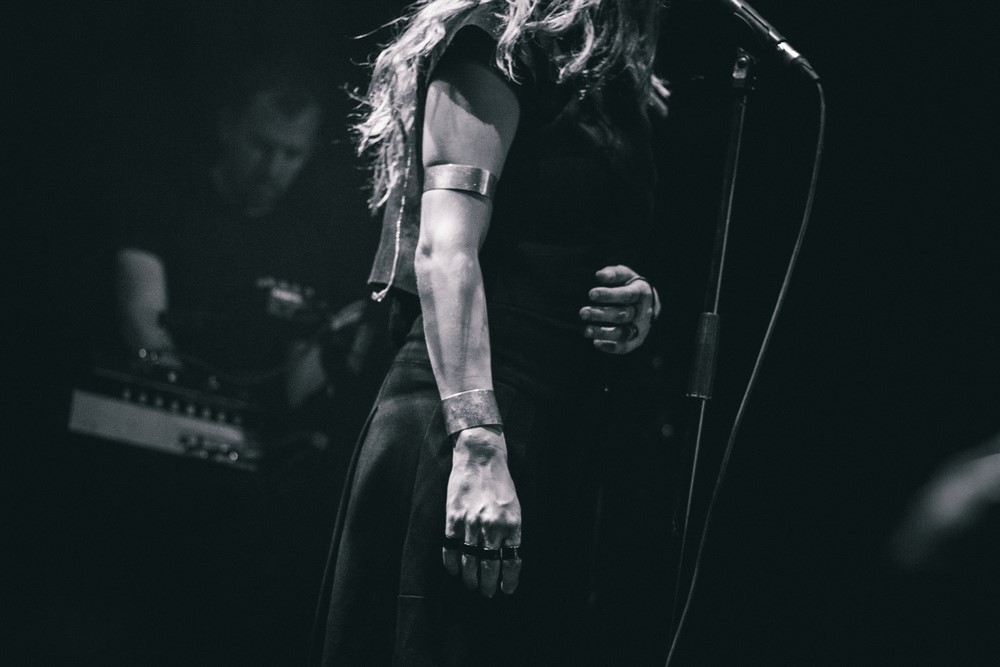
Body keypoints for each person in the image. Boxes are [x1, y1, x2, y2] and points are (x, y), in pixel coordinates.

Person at [313, 1, 670, 664]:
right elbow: (444, 251)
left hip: (559, 431)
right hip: (467, 425)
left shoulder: (613, 81)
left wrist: (639, 302)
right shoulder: (494, 41)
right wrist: (478, 447)